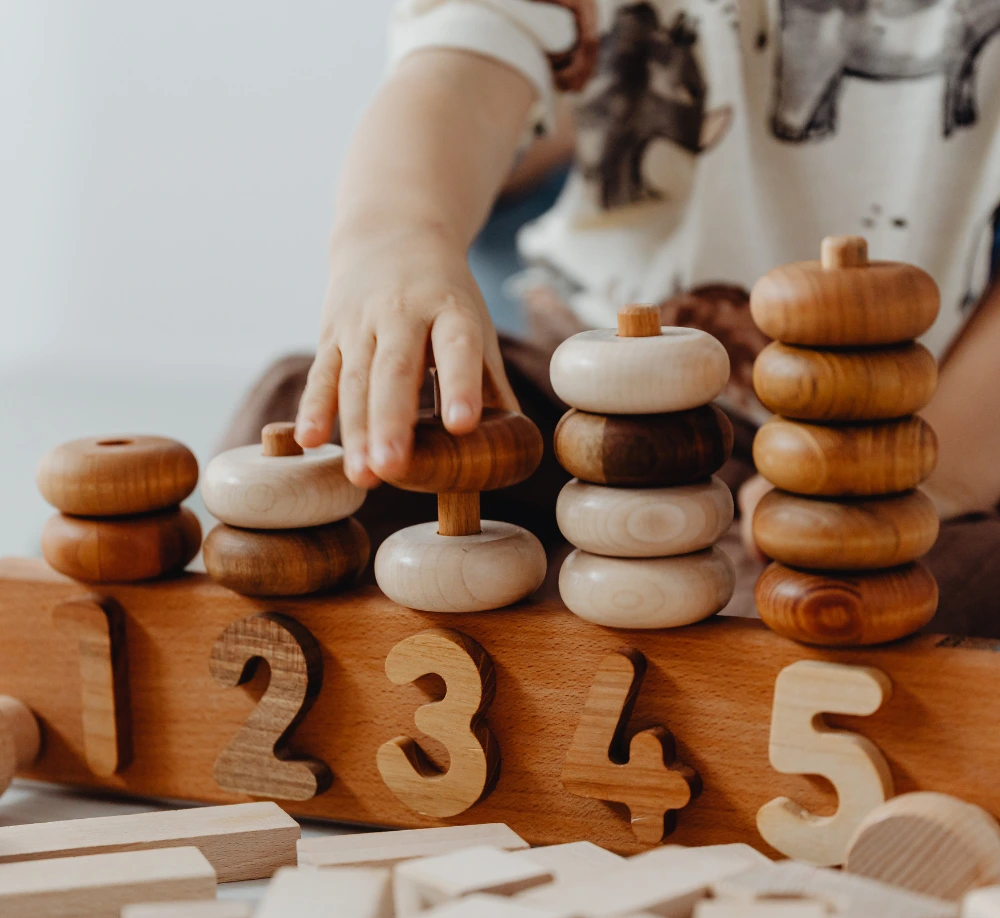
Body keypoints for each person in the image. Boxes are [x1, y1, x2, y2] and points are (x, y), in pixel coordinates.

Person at [223, 0, 1000, 634]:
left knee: (903, 604)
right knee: (297, 438)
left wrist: (933, 473)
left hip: (914, 430)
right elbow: (467, 59)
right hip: (587, 390)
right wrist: (394, 236)